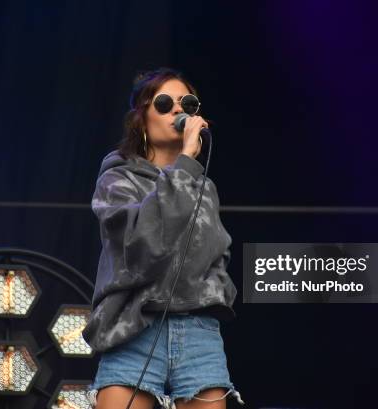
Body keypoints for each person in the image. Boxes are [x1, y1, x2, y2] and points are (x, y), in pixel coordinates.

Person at [83, 67, 244, 409]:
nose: (178, 110)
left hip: (198, 331)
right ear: (141, 119)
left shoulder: (205, 188)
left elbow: (217, 252)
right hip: (134, 327)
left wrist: (217, 292)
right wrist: (185, 163)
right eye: (164, 102)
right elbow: (144, 246)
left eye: (187, 102)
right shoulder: (117, 180)